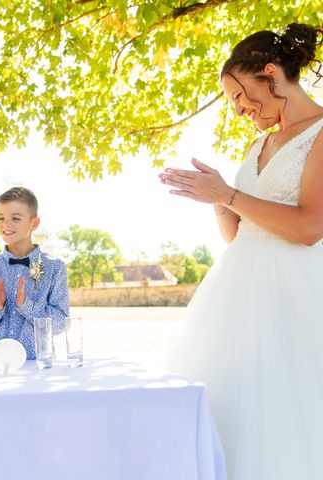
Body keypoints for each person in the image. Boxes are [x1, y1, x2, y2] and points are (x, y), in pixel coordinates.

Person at [160, 23, 323, 480]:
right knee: (230, 410)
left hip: (297, 303)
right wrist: (215, 197)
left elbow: (310, 226)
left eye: (239, 95)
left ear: (270, 74)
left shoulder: (321, 134)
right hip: (237, 300)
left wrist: (229, 195)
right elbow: (240, 234)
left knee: (288, 418)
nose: (238, 108)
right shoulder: (259, 143)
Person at [0, 187, 69, 360]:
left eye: (15, 218)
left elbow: (61, 323)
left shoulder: (55, 268)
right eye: (1, 218)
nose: (6, 224)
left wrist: (26, 306)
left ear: (34, 223)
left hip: (38, 363)